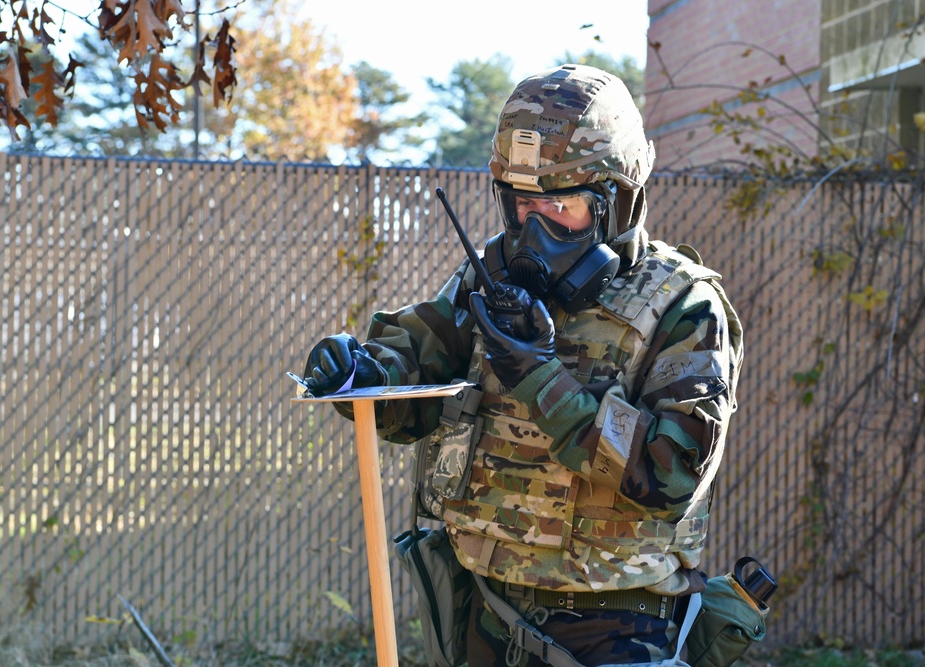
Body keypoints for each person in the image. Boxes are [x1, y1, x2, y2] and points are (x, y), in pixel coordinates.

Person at [303, 64, 743, 667]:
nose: (535, 231)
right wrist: (361, 373)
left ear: (618, 202)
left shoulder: (683, 307)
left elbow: (672, 479)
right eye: (523, 204)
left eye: (561, 206)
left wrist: (542, 380)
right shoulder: (488, 280)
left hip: (613, 627)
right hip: (485, 609)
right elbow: (415, 370)